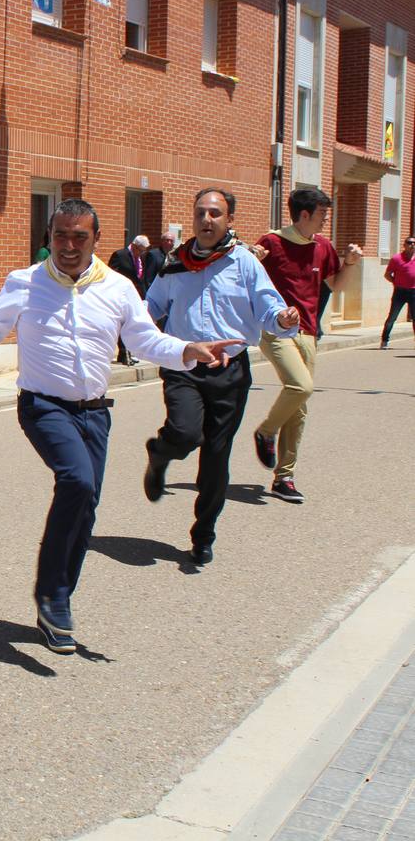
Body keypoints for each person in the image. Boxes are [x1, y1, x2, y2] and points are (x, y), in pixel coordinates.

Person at [0, 198, 239, 655]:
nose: (69, 246)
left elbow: (145, 339)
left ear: (95, 238)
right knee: (75, 481)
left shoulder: (118, 287)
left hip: (95, 412)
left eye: (80, 237)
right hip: (43, 407)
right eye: (60, 236)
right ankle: (51, 594)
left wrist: (187, 351)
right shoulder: (24, 283)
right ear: (48, 238)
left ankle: (59, 598)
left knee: (87, 503)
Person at [142, 189, 300, 564]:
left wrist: (283, 319)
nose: (207, 220)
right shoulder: (174, 264)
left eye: (215, 213)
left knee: (216, 455)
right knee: (184, 432)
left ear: (229, 220)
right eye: (201, 213)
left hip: (229, 371)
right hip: (185, 365)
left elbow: (269, 309)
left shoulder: (244, 263)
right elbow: (150, 308)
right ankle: (160, 453)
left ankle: (203, 534)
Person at [248, 188, 363, 504]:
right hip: (275, 329)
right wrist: (250, 259)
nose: (326, 220)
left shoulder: (323, 246)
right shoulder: (271, 242)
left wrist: (350, 263)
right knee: (300, 387)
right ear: (304, 215)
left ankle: (284, 478)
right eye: (322, 214)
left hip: (309, 331)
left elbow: (336, 286)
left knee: (299, 408)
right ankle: (266, 432)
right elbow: (243, 277)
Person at [108, 235, 164, 365]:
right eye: (140, 249)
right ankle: (123, 353)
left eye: (144, 250)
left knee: (132, 322)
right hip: (121, 295)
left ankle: (128, 353)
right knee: (122, 323)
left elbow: (142, 277)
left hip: (136, 295)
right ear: (133, 246)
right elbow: (112, 274)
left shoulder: (141, 258)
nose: (142, 252)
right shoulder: (120, 255)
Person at [380, 235, 415, 349]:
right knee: (392, 317)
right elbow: (387, 275)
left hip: (413, 292)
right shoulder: (396, 259)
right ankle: (384, 341)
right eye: (409, 243)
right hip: (400, 292)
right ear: (404, 245)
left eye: (414, 243)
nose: (412, 245)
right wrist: (395, 282)